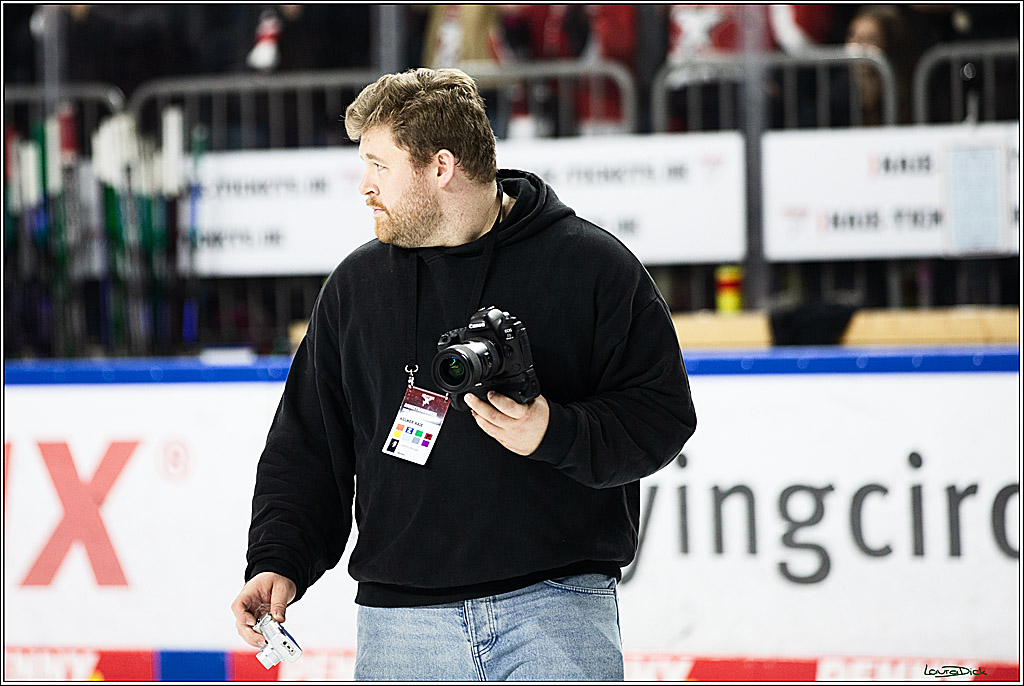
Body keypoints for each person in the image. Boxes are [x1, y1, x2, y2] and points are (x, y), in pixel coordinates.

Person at [230, 67, 697, 681]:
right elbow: (306, 447)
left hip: (554, 613)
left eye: (379, 165)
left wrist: (553, 432)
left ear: (441, 166)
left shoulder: (591, 267)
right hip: (400, 627)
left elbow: (663, 416)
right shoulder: (356, 287)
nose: (365, 186)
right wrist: (278, 558)